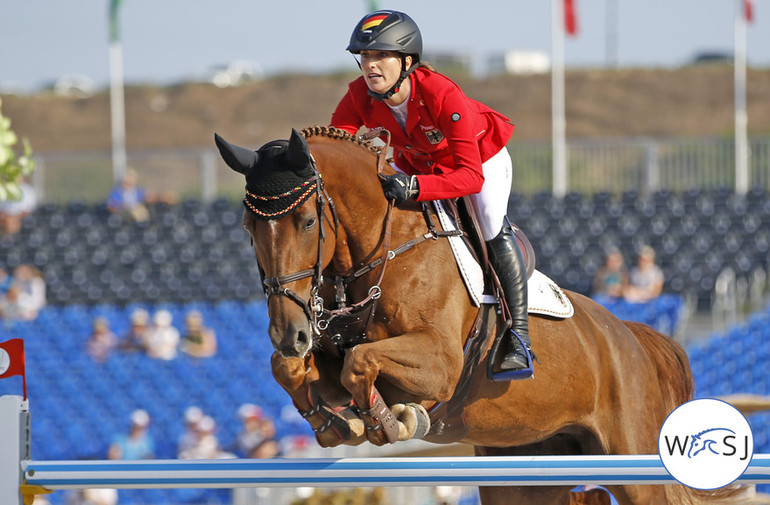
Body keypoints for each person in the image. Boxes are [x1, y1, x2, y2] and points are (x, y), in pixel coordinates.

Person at [330, 10, 531, 376]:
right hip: (419, 162)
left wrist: (416, 186)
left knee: (488, 223)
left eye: (380, 56)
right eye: (365, 57)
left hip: (480, 160)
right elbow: (336, 147)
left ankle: (519, 336)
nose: (369, 66)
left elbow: (469, 177)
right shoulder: (359, 94)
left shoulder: (441, 93)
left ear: (406, 61)